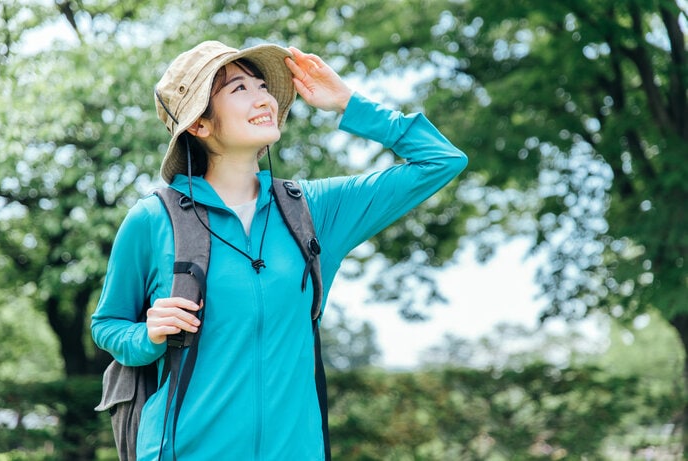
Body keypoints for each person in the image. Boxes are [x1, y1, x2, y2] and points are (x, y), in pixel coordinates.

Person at [91, 40, 468, 460]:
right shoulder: (153, 220)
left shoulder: (314, 211)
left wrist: (348, 102)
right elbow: (108, 324)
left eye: (262, 85)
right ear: (200, 125)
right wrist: (148, 334)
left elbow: (442, 161)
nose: (264, 97)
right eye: (239, 89)